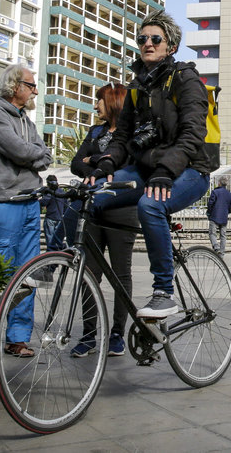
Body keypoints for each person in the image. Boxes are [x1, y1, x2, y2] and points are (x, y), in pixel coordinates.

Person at [90, 11, 213, 320]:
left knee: (150, 205)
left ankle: (163, 292)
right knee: (90, 196)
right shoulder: (136, 87)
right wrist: (105, 164)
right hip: (148, 170)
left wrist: (165, 170)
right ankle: (63, 261)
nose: (147, 43)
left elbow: (193, 134)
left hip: (189, 171)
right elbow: (123, 139)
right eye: (142, 38)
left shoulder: (186, 80)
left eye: (155, 39)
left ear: (170, 46)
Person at [0, 63, 52, 362]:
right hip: (4, 202)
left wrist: (34, 154)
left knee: (26, 274)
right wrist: (34, 154)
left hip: (29, 202)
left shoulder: (25, 120)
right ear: (15, 86)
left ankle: (16, 338)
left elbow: (43, 153)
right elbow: (21, 151)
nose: (35, 91)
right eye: (30, 85)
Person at [68, 83, 134, 357]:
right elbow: (75, 162)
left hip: (122, 207)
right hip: (93, 206)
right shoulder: (95, 131)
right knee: (89, 273)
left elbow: (126, 164)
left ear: (114, 102)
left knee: (121, 273)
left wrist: (93, 159)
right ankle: (88, 334)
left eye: (100, 102)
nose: (96, 107)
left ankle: (117, 333)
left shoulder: (131, 133)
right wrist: (97, 166)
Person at [206, 176, 231, 256]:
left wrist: (209, 212)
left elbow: (210, 204)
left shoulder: (215, 192)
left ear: (219, 183)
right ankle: (221, 253)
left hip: (214, 216)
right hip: (224, 217)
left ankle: (216, 247)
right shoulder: (229, 194)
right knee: (223, 235)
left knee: (212, 233)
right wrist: (226, 212)